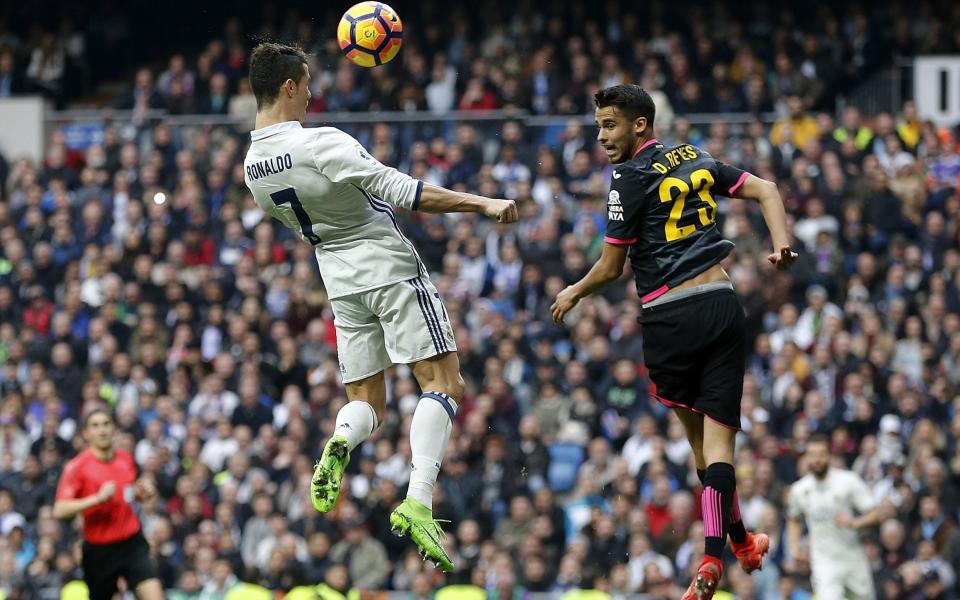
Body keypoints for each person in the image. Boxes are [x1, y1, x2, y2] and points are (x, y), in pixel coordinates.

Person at [242, 42, 518, 572]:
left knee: (370, 401)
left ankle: (341, 439)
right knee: (443, 383)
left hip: (338, 281)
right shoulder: (319, 143)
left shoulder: (254, 168)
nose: (313, 94)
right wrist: (481, 203)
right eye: (308, 84)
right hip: (388, 266)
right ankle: (418, 499)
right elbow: (405, 191)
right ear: (289, 87)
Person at [550, 84, 796, 600]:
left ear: (640, 124)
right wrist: (781, 246)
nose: (601, 137)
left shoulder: (628, 176)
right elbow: (767, 188)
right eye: (598, 126)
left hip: (668, 317)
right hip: (723, 303)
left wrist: (575, 290)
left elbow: (612, 267)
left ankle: (713, 558)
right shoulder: (697, 157)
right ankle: (735, 545)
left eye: (609, 125)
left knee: (701, 449)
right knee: (720, 447)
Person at [53, 408, 163, 600]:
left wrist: (142, 494)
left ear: (114, 429)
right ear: (86, 433)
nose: (102, 430)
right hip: (99, 550)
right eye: (95, 426)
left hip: (131, 542)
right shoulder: (77, 467)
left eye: (106, 424)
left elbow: (127, 495)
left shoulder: (125, 459)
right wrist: (96, 498)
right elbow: (60, 510)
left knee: (154, 595)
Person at [786, 435, 888, 600]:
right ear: (806, 458)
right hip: (823, 562)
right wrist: (793, 548)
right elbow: (793, 518)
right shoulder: (799, 489)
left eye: (821, 454)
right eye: (812, 454)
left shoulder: (848, 481)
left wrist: (854, 523)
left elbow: (877, 513)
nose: (817, 459)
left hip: (853, 558)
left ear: (830, 455)